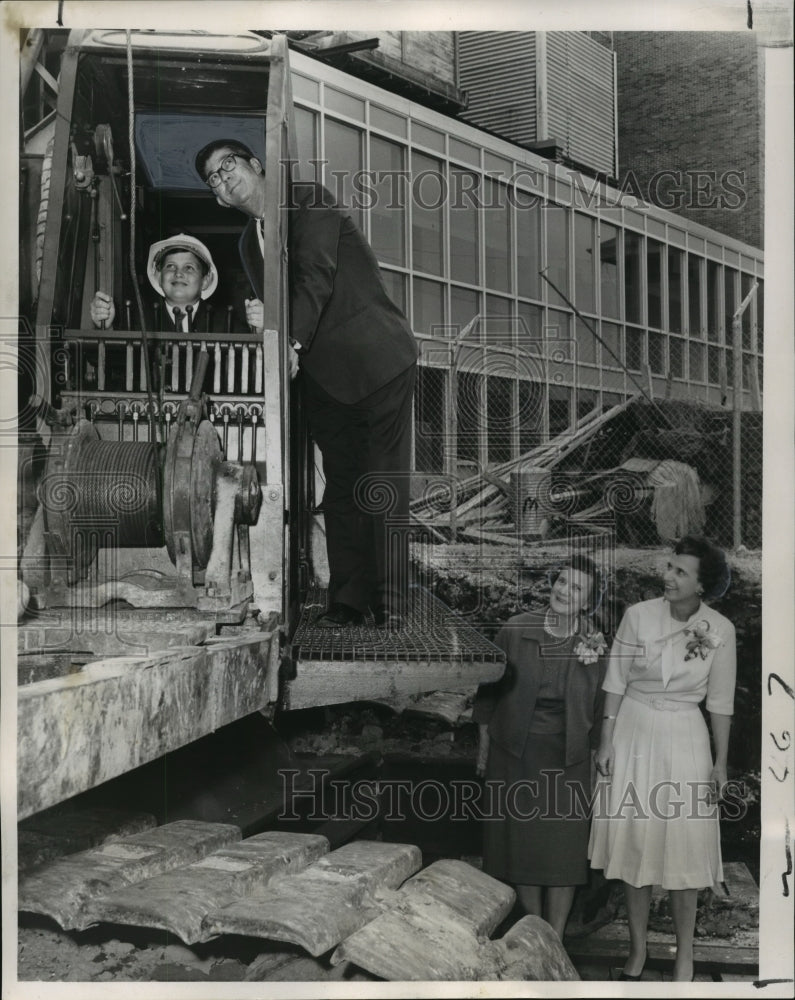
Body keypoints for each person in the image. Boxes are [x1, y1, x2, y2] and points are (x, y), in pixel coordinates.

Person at [194, 140, 419, 630]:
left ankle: (394, 605)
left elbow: (314, 274)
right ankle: (349, 602)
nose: (222, 178)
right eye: (213, 178)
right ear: (217, 198)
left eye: (228, 165)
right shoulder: (245, 243)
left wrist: (288, 342)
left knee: (381, 483)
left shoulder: (308, 201)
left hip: (376, 363)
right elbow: (282, 302)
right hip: (322, 380)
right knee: (340, 489)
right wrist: (266, 324)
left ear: (256, 165)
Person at [588, 535, 736, 983]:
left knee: (684, 845)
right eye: (669, 567)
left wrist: (720, 763)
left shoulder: (720, 630)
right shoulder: (637, 616)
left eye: (680, 572)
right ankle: (637, 950)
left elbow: (721, 703)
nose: (668, 576)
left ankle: (684, 955)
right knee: (635, 842)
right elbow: (614, 682)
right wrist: (606, 742)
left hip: (685, 736)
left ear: (702, 587)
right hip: (633, 730)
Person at [472, 554, 609, 941]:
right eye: (562, 582)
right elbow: (488, 694)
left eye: (576, 587)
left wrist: (598, 755)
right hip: (515, 752)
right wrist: (483, 746)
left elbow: (602, 708)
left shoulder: (595, 643)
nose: (565, 590)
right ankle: (536, 933)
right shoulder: (516, 630)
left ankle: (557, 936)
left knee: (563, 849)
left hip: (568, 757)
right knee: (524, 848)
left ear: (587, 603)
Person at [90, 233, 223, 333]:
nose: (178, 273)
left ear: (205, 281)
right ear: (158, 277)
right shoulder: (137, 322)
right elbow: (106, 362)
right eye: (170, 266)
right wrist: (105, 328)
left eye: (189, 268)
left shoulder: (224, 324)